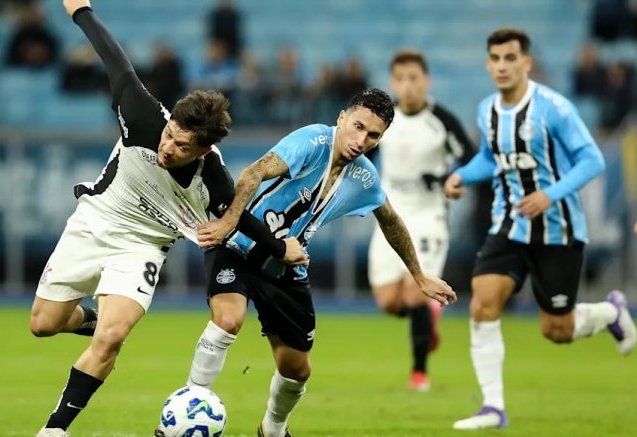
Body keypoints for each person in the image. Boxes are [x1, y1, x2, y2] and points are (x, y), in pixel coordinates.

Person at [32, 2, 306, 436]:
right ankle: (87, 320)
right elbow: (113, 57)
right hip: (96, 220)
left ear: (202, 151)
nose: (168, 147)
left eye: (181, 146)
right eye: (170, 135)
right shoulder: (142, 115)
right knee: (43, 325)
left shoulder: (212, 179)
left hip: (143, 245)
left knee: (113, 338)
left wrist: (280, 247)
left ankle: (55, 429)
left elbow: (242, 217)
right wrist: (80, 10)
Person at [182, 89, 457, 437]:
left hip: (286, 268)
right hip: (239, 245)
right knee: (227, 320)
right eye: (357, 127)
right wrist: (227, 222)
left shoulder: (364, 177)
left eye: (373, 135)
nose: (361, 140)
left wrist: (418, 275)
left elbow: (390, 219)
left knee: (297, 369)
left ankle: (273, 429)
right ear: (342, 117)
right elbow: (253, 173)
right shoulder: (312, 141)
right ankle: (189, 403)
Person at [445, 28, 636, 430]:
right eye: (495, 58)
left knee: (557, 329)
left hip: (558, 228)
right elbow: (490, 157)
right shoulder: (487, 110)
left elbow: (592, 161)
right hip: (509, 224)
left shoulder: (555, 108)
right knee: (482, 301)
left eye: (510, 58)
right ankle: (493, 407)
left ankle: (609, 312)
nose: (501, 66)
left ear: (526, 63)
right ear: (487, 63)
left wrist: (550, 194)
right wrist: (463, 175)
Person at [367, 49, 474, 392]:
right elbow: (361, 154)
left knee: (415, 294)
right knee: (388, 301)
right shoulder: (384, 120)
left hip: (429, 216)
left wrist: (451, 181)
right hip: (389, 215)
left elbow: (470, 157)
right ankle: (430, 318)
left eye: (414, 78)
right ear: (392, 82)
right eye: (400, 79)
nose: (407, 86)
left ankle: (419, 375)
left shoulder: (441, 119)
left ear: (426, 81)